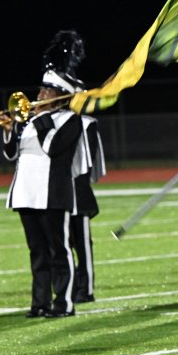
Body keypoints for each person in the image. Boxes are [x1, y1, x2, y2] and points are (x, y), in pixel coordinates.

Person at [2, 30, 84, 318]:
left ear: (60, 96)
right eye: (41, 91)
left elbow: (51, 148)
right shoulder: (37, 120)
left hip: (52, 195)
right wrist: (10, 129)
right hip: (27, 192)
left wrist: (38, 119)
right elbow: (13, 155)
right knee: (37, 253)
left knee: (58, 251)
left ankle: (64, 303)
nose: (38, 96)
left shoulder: (69, 121)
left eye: (46, 93)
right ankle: (40, 303)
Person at [70, 109, 106, 303]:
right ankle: (70, 286)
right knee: (62, 246)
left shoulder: (86, 123)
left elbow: (87, 160)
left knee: (82, 246)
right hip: (57, 195)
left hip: (79, 193)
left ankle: (86, 289)